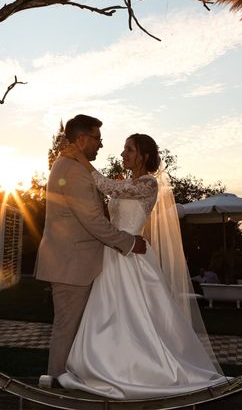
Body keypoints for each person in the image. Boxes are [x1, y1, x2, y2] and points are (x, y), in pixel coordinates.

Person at [57, 133, 227, 399]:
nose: (123, 154)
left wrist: (82, 159)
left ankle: (147, 368)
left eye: (129, 150)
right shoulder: (127, 182)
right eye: (124, 149)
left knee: (137, 316)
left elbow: (108, 187)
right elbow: (111, 199)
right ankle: (109, 366)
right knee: (109, 314)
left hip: (133, 259)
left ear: (144, 156)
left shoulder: (148, 184)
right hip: (113, 253)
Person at [34, 115, 147, 388]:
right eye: (97, 138)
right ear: (82, 139)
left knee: (76, 328)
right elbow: (93, 222)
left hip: (74, 262)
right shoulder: (72, 171)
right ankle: (58, 384)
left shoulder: (71, 166)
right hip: (72, 264)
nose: (101, 144)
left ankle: (66, 379)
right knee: (68, 328)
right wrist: (129, 243)